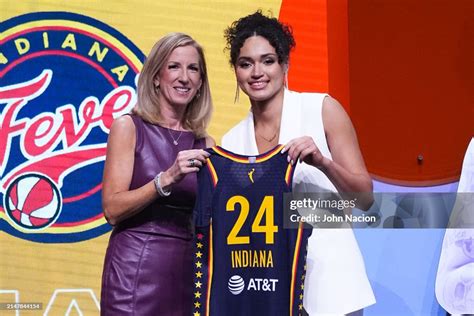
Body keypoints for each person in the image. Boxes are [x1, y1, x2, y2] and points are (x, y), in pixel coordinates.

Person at [221, 11, 375, 315]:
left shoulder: (321, 109)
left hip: (331, 283)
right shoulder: (230, 142)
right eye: (245, 63)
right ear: (236, 73)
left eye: (268, 60)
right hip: (267, 287)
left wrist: (321, 162)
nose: (257, 72)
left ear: (285, 65)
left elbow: (366, 199)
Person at [100, 33, 214, 315]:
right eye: (174, 66)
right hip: (134, 273)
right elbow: (112, 209)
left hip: (189, 272)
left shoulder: (207, 145)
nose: (184, 77)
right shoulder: (129, 127)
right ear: (156, 76)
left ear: (200, 83)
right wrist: (164, 180)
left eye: (193, 68)